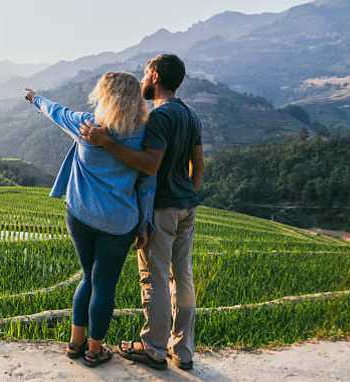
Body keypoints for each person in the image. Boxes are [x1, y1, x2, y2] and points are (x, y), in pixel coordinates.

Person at [80, 54, 204, 371]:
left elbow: (150, 164)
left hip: (163, 207)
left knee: (156, 278)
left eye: (146, 73)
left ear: (155, 75)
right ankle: (184, 350)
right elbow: (198, 163)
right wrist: (189, 191)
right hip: (187, 206)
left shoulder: (160, 117)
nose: (143, 80)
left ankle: (153, 348)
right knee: (183, 276)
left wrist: (107, 143)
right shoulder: (190, 116)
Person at [24, 71, 156, 368]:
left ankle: (75, 343)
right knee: (104, 284)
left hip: (80, 215)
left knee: (87, 277)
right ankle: (95, 350)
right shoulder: (143, 135)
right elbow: (148, 183)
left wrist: (35, 98)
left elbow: (55, 112)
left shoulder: (86, 124)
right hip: (118, 222)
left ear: (104, 96)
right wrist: (145, 223)